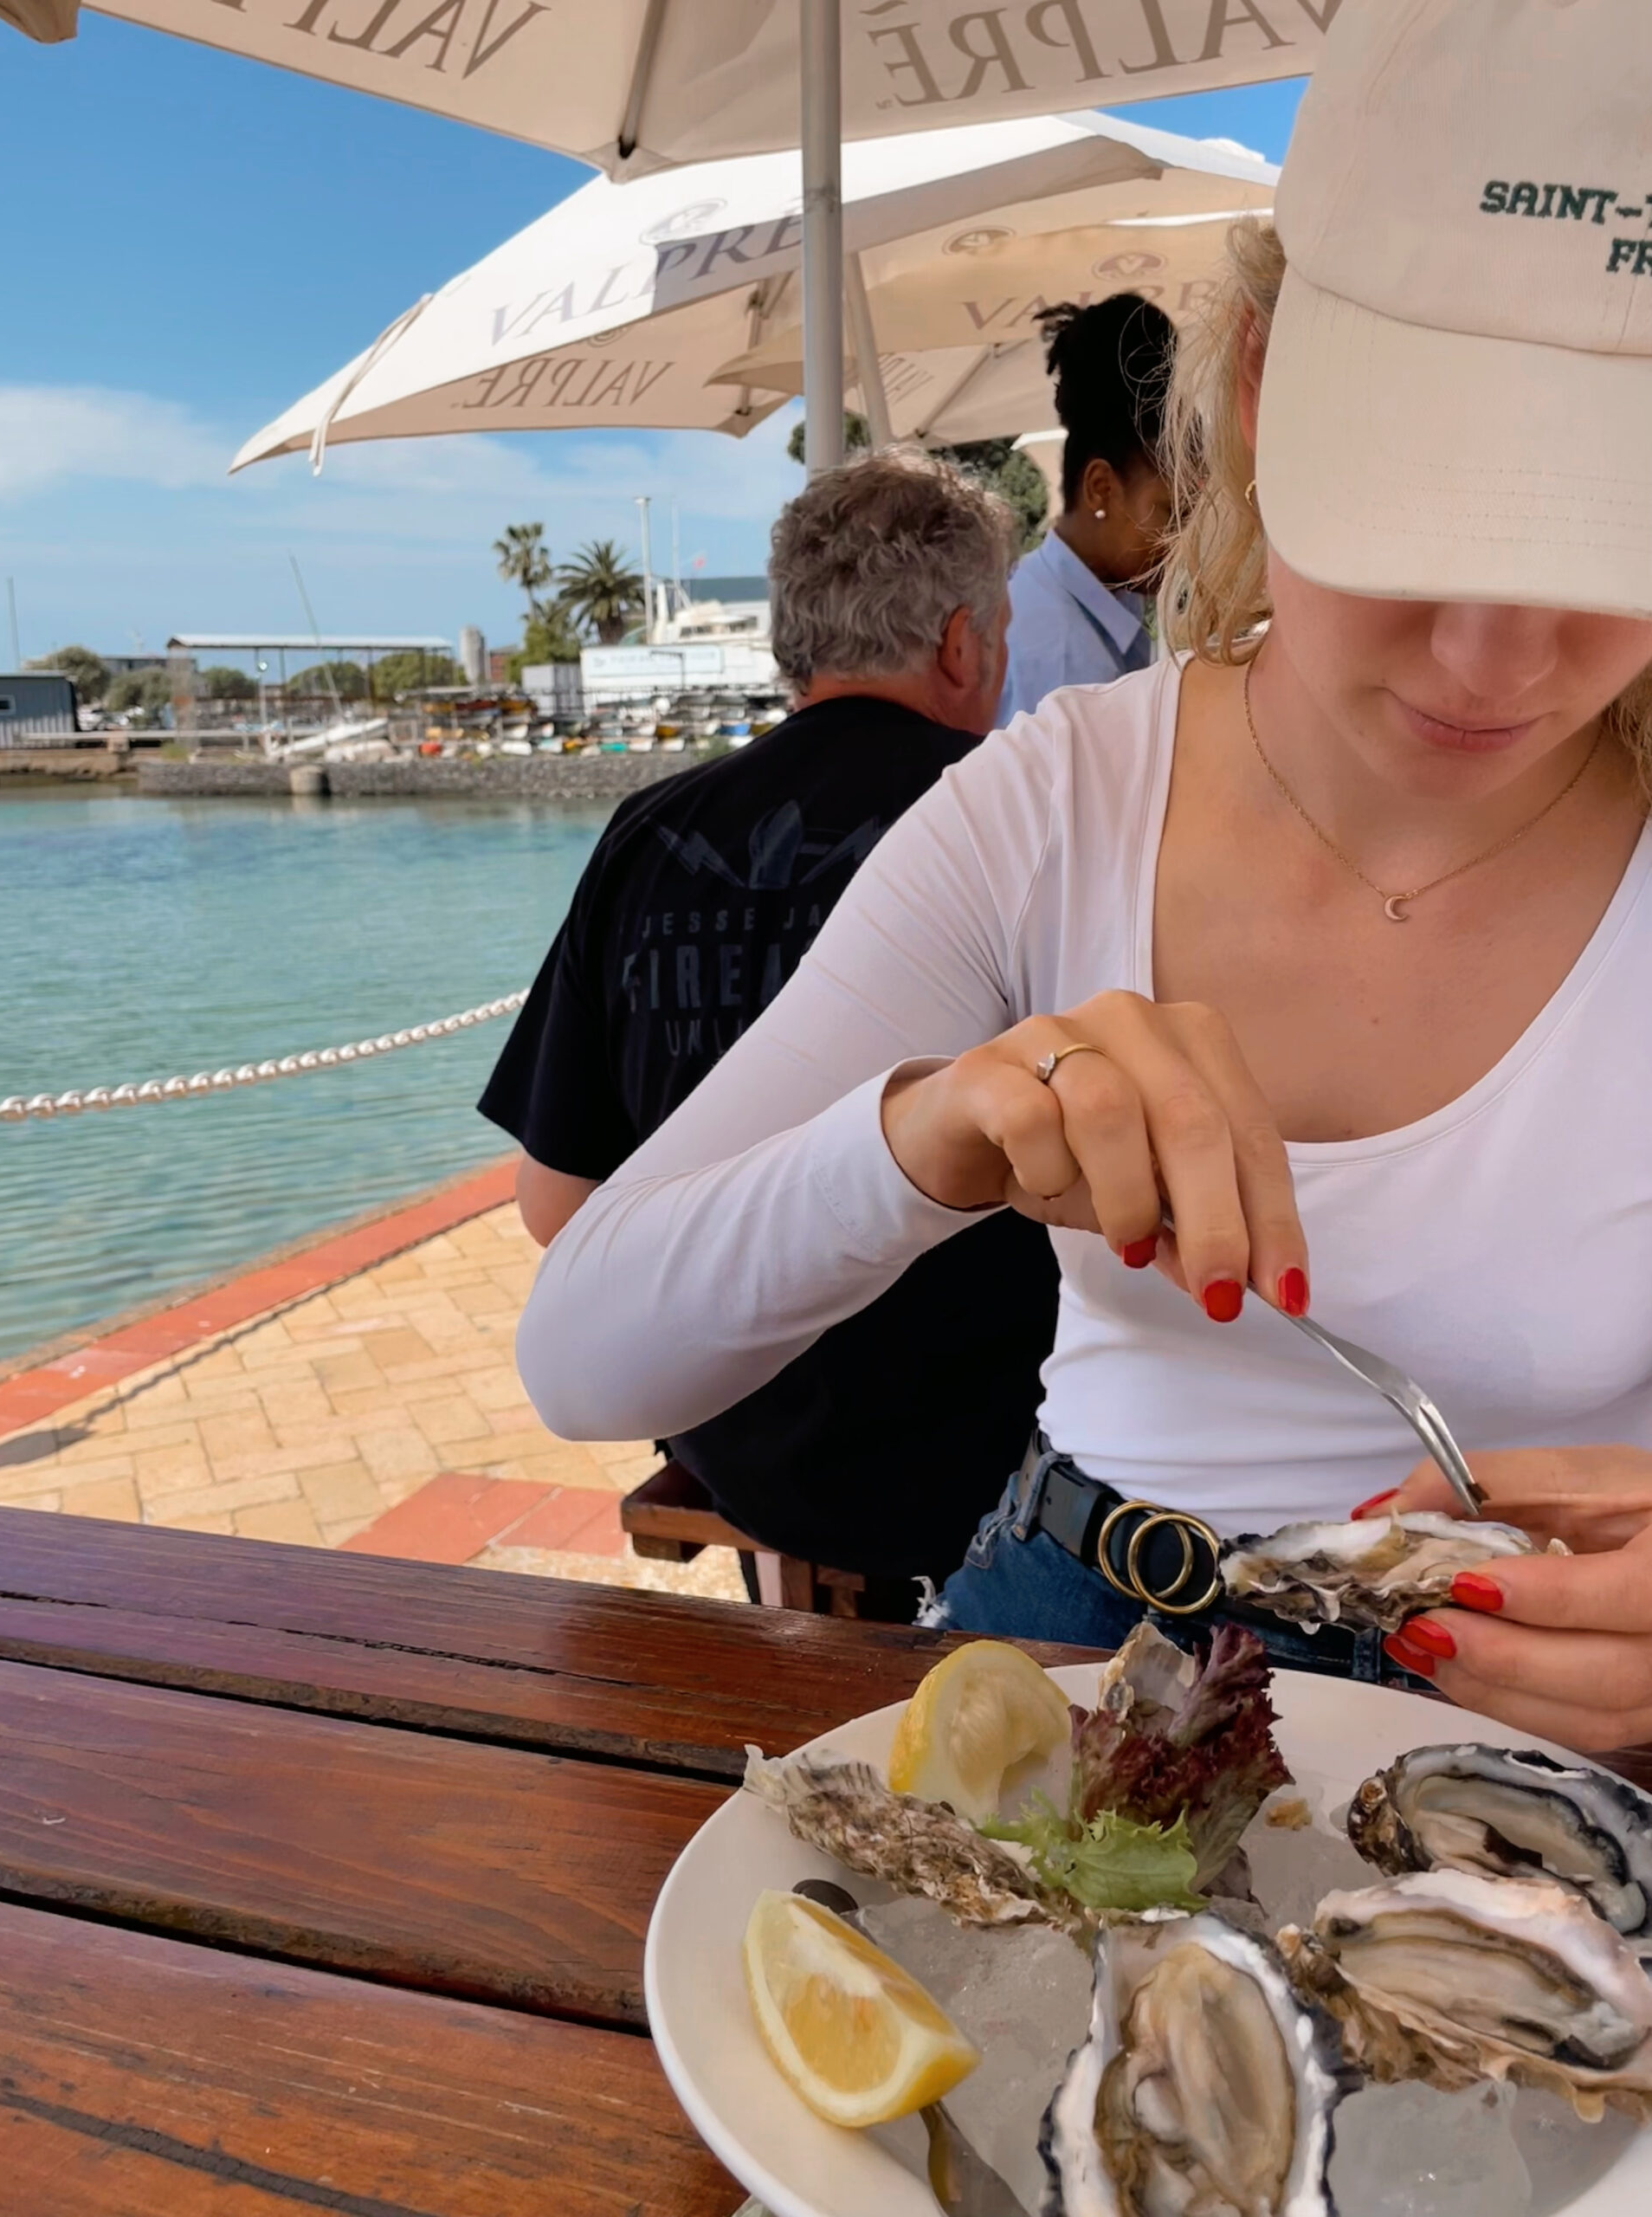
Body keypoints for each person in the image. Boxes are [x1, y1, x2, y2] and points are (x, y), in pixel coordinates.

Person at [515, 0, 1652, 1755]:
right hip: (1074, 1623)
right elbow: (587, 1356)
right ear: (1264, 391)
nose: (1496, 656)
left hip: (1535, 1713)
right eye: (1433, 507)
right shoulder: (1060, 797)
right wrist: (929, 1130)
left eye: (1607, 534)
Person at [481, 450, 1060, 1620]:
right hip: (996, 1454)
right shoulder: (1023, 813)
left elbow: (558, 1208)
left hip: (744, 1440)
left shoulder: (648, 836)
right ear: (964, 643)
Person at [995, 292, 1178, 724]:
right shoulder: (1067, 664)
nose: (1181, 540)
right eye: (1170, 513)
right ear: (1100, 488)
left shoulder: (1051, 596)